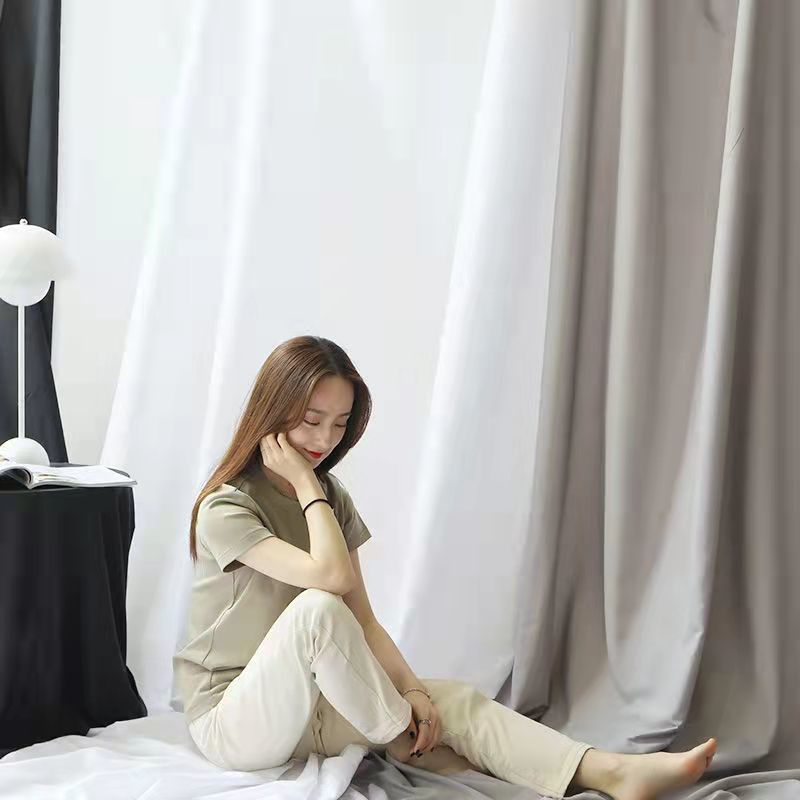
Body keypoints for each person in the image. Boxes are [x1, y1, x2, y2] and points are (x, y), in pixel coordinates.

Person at [173, 335, 718, 799]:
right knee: (317, 610)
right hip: (231, 722)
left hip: (307, 705)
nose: (324, 440)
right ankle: (403, 739)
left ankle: (613, 772)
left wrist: (412, 690)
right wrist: (306, 483)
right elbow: (332, 583)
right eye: (311, 421)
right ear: (272, 413)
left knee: (451, 701)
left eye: (339, 424)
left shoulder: (330, 496)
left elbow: (362, 619)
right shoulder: (227, 507)